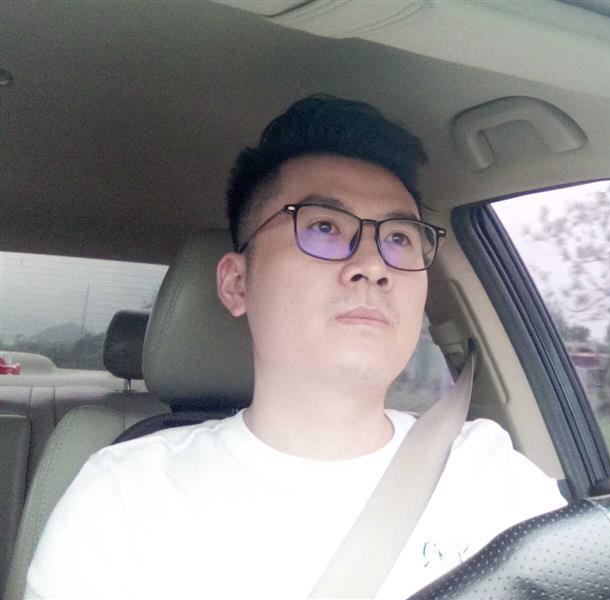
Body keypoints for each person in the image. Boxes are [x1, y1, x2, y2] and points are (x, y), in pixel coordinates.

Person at [25, 95, 566, 599]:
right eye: (324, 226)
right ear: (238, 284)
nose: (373, 266)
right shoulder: (124, 496)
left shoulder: (494, 477)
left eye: (399, 237)